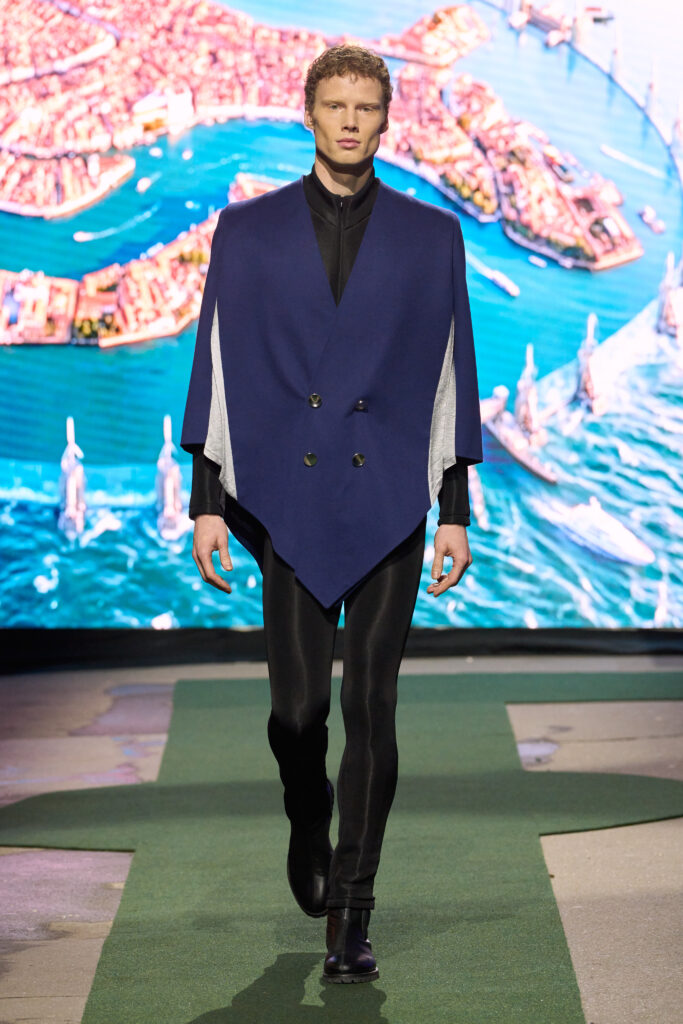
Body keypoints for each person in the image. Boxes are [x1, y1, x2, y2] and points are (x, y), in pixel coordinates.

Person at [181, 44, 483, 984]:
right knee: (296, 713)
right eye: (335, 105)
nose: (350, 122)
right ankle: (306, 813)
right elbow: (218, 361)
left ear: (385, 119)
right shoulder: (247, 230)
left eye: (366, 107)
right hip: (290, 497)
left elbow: (451, 371)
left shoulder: (431, 236)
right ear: (307, 113)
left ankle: (352, 913)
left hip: (387, 493)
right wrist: (207, 502)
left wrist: (453, 509)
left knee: (370, 705)